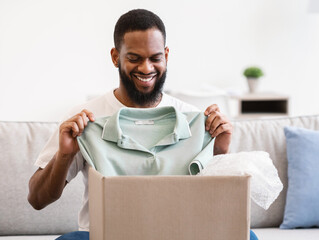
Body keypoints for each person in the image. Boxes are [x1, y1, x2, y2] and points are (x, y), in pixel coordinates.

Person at [27, 9, 257, 240]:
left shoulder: (194, 119)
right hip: (106, 236)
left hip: (180, 234)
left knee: (247, 236)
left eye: (155, 58)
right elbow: (36, 200)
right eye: (134, 58)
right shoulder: (86, 119)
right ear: (116, 57)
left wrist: (219, 151)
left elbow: (217, 207)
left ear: (166, 55)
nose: (146, 68)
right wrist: (64, 155)